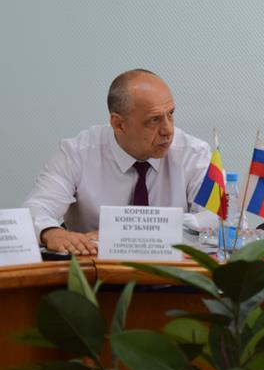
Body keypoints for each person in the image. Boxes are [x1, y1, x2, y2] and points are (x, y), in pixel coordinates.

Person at [24, 69, 214, 255]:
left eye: (170, 114)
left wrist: (138, 230)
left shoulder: (193, 154)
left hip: (175, 270)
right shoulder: (77, 153)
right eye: (154, 120)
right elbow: (34, 209)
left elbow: (218, 218)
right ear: (119, 124)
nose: (168, 130)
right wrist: (50, 232)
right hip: (94, 269)